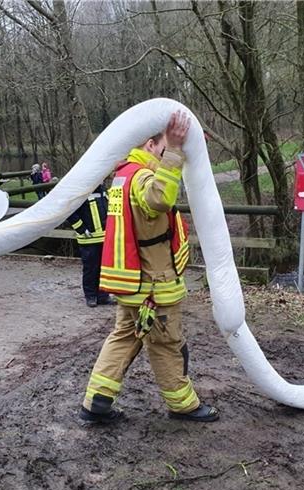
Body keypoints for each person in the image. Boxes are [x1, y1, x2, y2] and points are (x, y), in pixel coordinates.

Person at [79, 111, 219, 424]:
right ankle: (183, 405)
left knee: (124, 337)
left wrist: (177, 149)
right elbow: (159, 200)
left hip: (131, 284)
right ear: (149, 144)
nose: (165, 154)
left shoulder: (122, 175)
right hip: (153, 285)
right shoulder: (141, 176)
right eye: (161, 148)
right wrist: (173, 153)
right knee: (166, 343)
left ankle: (97, 402)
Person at [66, 184, 115, 307]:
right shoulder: (81, 191)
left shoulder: (103, 190)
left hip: (104, 237)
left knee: (104, 269)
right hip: (88, 239)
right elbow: (70, 213)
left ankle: (103, 295)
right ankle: (91, 296)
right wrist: (82, 229)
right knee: (90, 269)